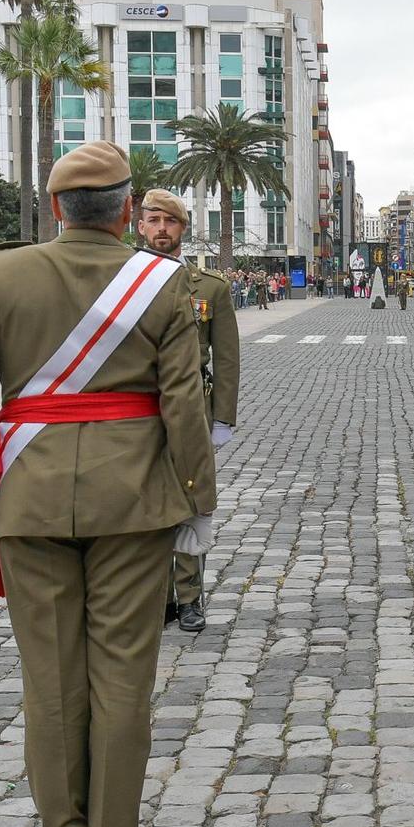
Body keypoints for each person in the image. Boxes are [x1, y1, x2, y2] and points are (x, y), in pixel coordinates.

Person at [0, 140, 216, 827]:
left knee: (51, 681)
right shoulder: (162, 282)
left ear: (58, 209)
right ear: (128, 210)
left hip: (28, 496)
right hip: (134, 502)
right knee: (123, 677)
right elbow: (182, 403)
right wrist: (199, 500)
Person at [136, 189, 240, 634]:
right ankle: (156, 599)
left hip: (193, 408)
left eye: (170, 222)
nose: (162, 229)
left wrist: (222, 418)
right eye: (153, 220)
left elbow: (228, 356)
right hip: (136, 407)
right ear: (140, 225)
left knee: (191, 499)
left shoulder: (209, 288)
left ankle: (191, 598)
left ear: (184, 229)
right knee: (143, 505)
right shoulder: (121, 281)